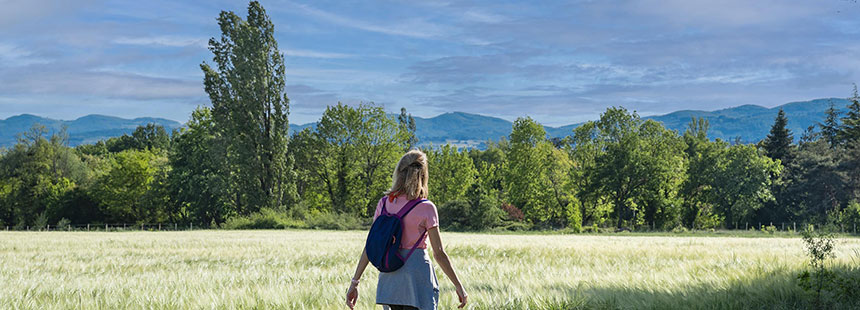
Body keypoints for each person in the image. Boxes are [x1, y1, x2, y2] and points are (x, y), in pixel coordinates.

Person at [346, 149, 468, 310]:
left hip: (390, 279)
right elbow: (439, 253)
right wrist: (458, 286)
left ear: (398, 173)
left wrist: (355, 282)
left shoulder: (384, 204)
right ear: (423, 176)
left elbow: (371, 247)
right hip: (417, 278)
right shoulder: (426, 207)